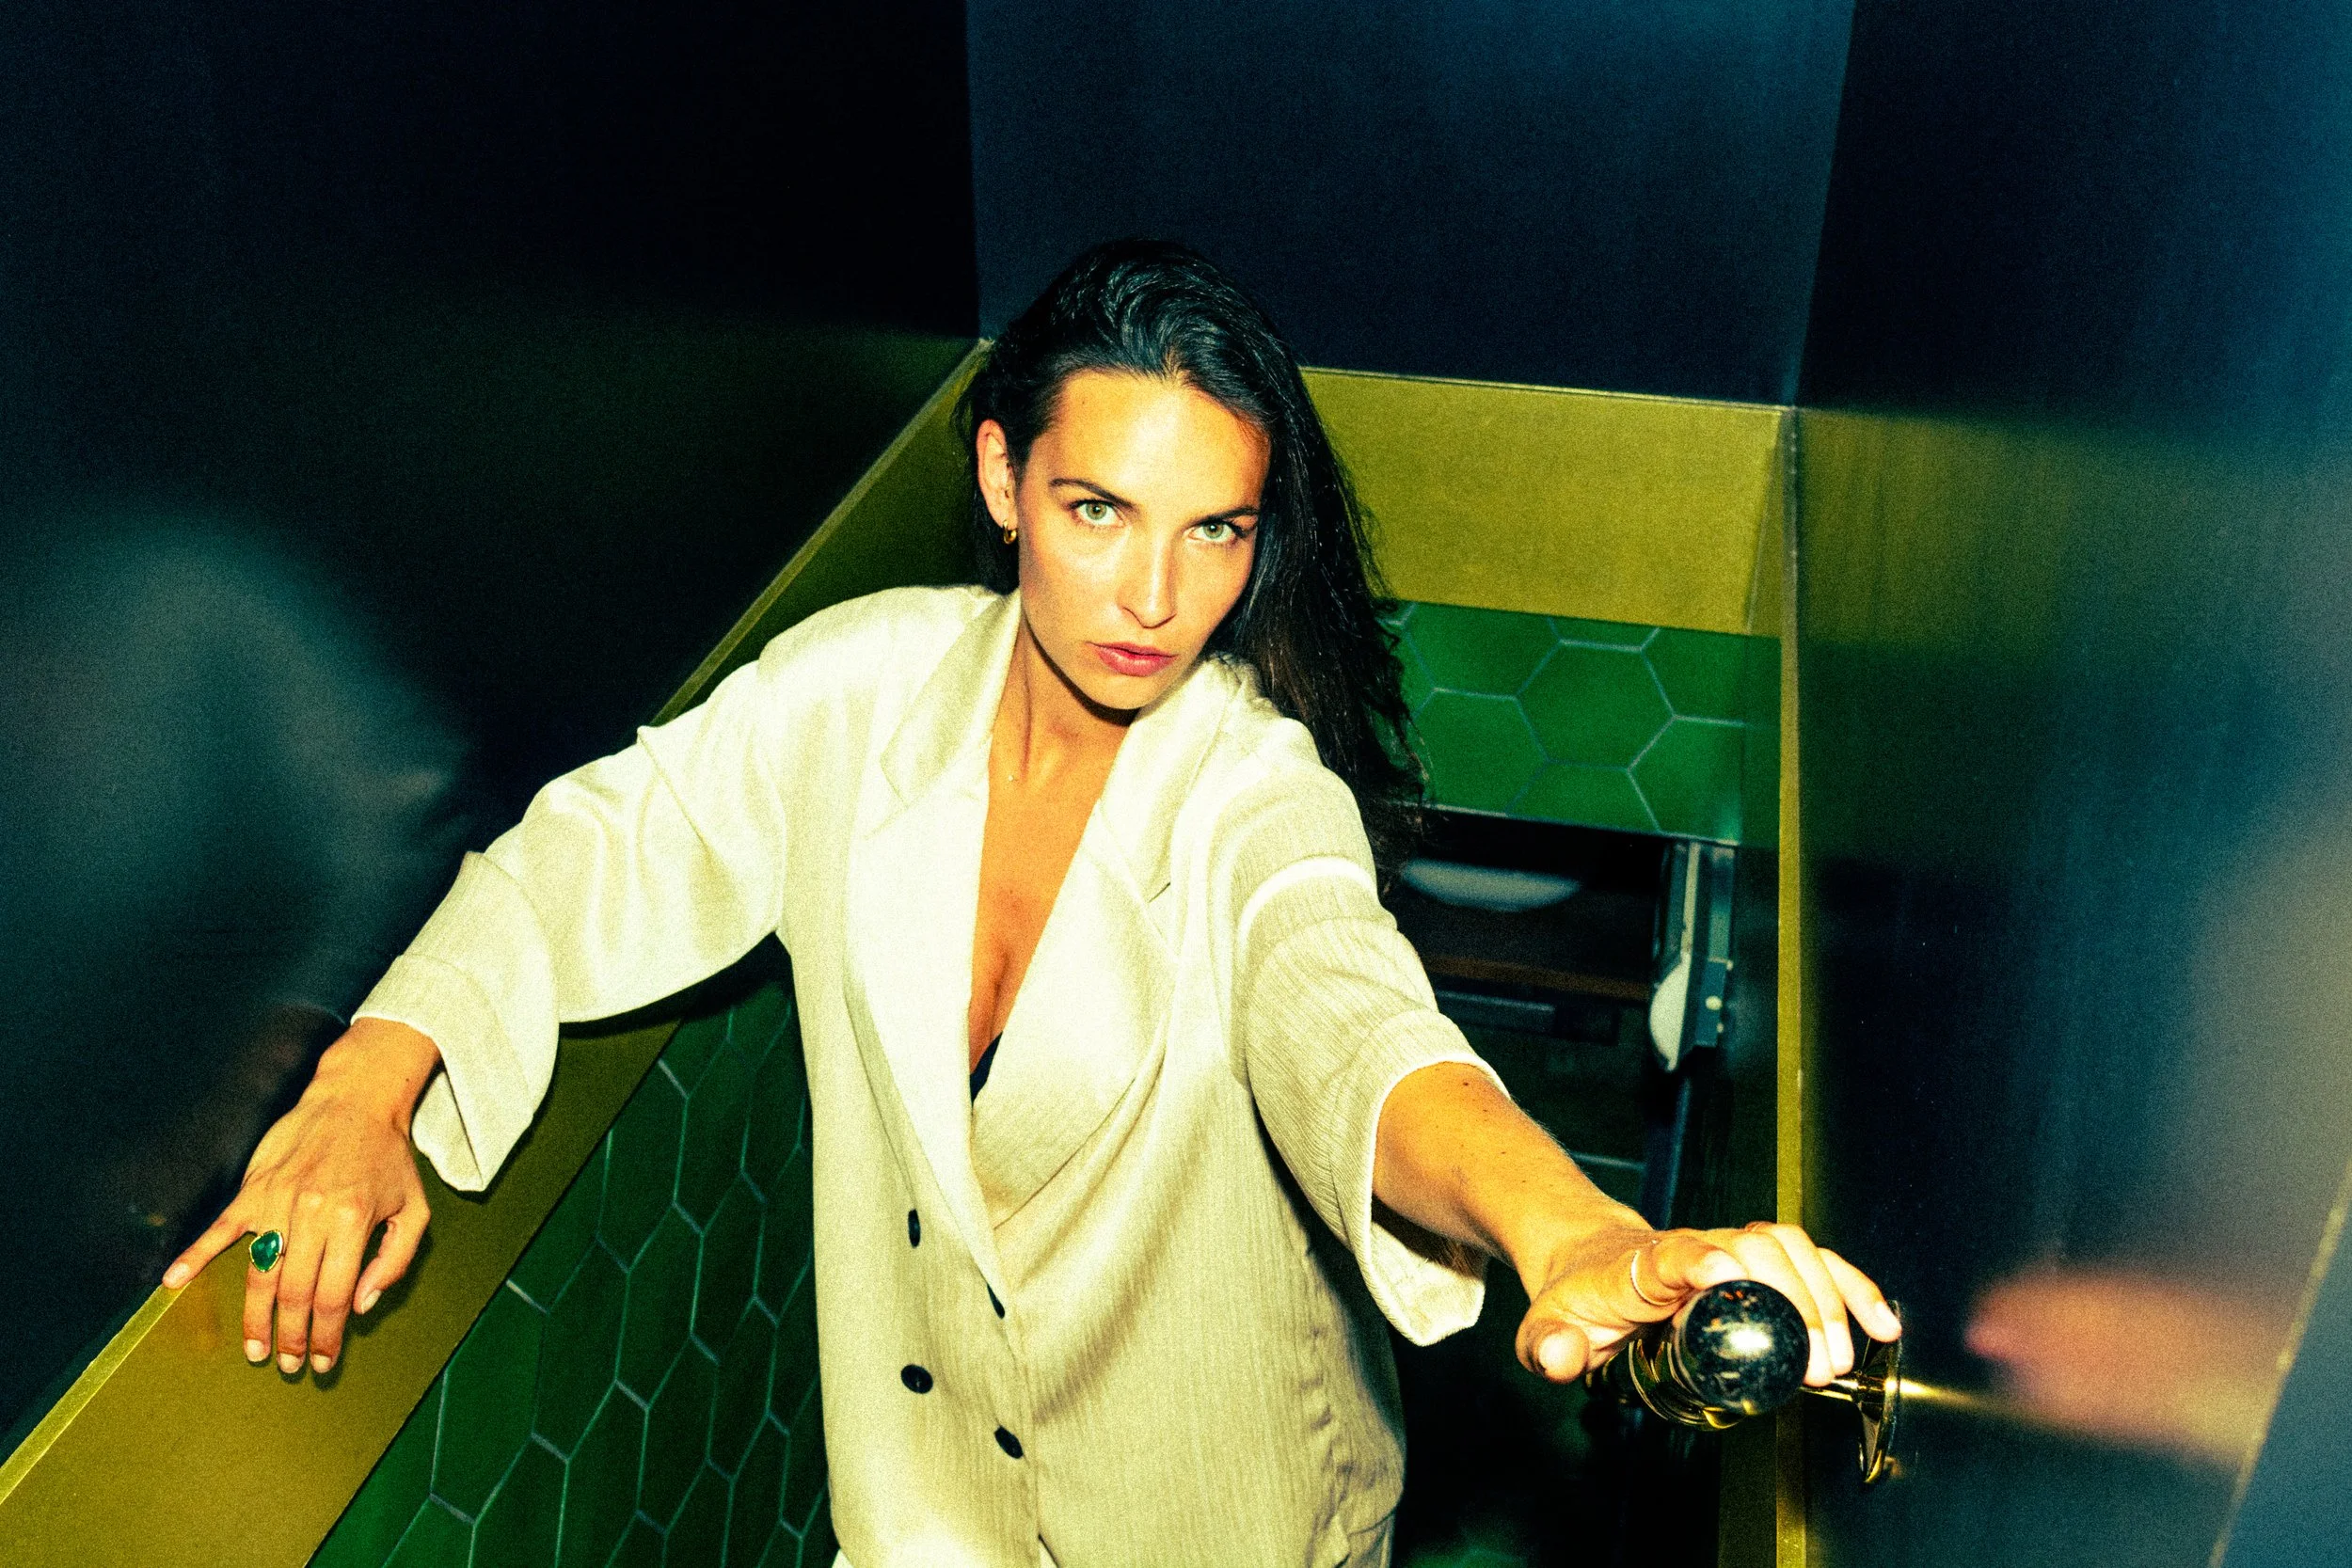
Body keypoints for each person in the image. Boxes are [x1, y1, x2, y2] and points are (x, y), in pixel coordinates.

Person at [167, 240, 1899, 1565]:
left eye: (1216, 531)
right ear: (1003, 481)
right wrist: (366, 1082)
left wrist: (1567, 1227)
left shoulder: (1254, 796)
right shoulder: (854, 692)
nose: (1155, 593)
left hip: (1227, 1518)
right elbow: (591, 849)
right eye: (1098, 510)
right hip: (929, 1522)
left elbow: (1356, 1025)